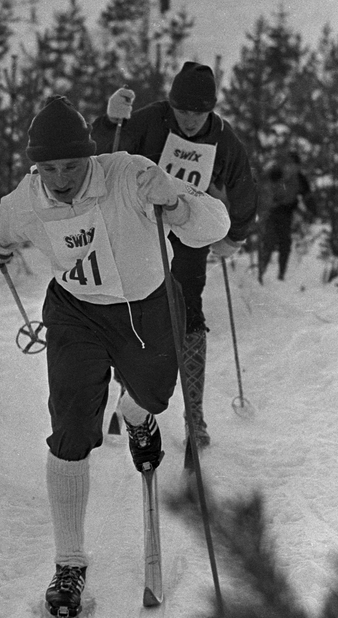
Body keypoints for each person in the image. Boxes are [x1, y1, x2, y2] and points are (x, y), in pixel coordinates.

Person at [0, 94, 229, 617]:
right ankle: (68, 563)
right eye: (49, 167)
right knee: (69, 425)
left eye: (70, 165)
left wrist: (177, 201)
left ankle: (138, 416)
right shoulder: (27, 198)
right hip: (77, 314)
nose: (61, 177)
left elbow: (215, 226)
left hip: (148, 308)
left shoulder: (131, 175)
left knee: (151, 397)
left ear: (88, 157)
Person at [91, 62, 258, 449]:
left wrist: (234, 235)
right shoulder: (150, 120)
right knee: (134, 308)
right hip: (139, 229)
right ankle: (127, 389)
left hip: (187, 233)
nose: (189, 120)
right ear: (171, 105)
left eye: (197, 113)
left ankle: (194, 414)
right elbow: (105, 154)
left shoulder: (223, 139)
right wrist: (108, 121)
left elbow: (243, 185)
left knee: (189, 315)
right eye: (181, 111)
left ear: (210, 110)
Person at [258, 151, 317, 282]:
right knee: (269, 242)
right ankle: (261, 272)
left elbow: (307, 196)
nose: (291, 167)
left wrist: (312, 211)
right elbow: (265, 186)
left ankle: (281, 274)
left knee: (285, 244)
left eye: (294, 165)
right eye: (289, 164)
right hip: (272, 212)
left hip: (286, 214)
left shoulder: (300, 179)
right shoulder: (277, 173)